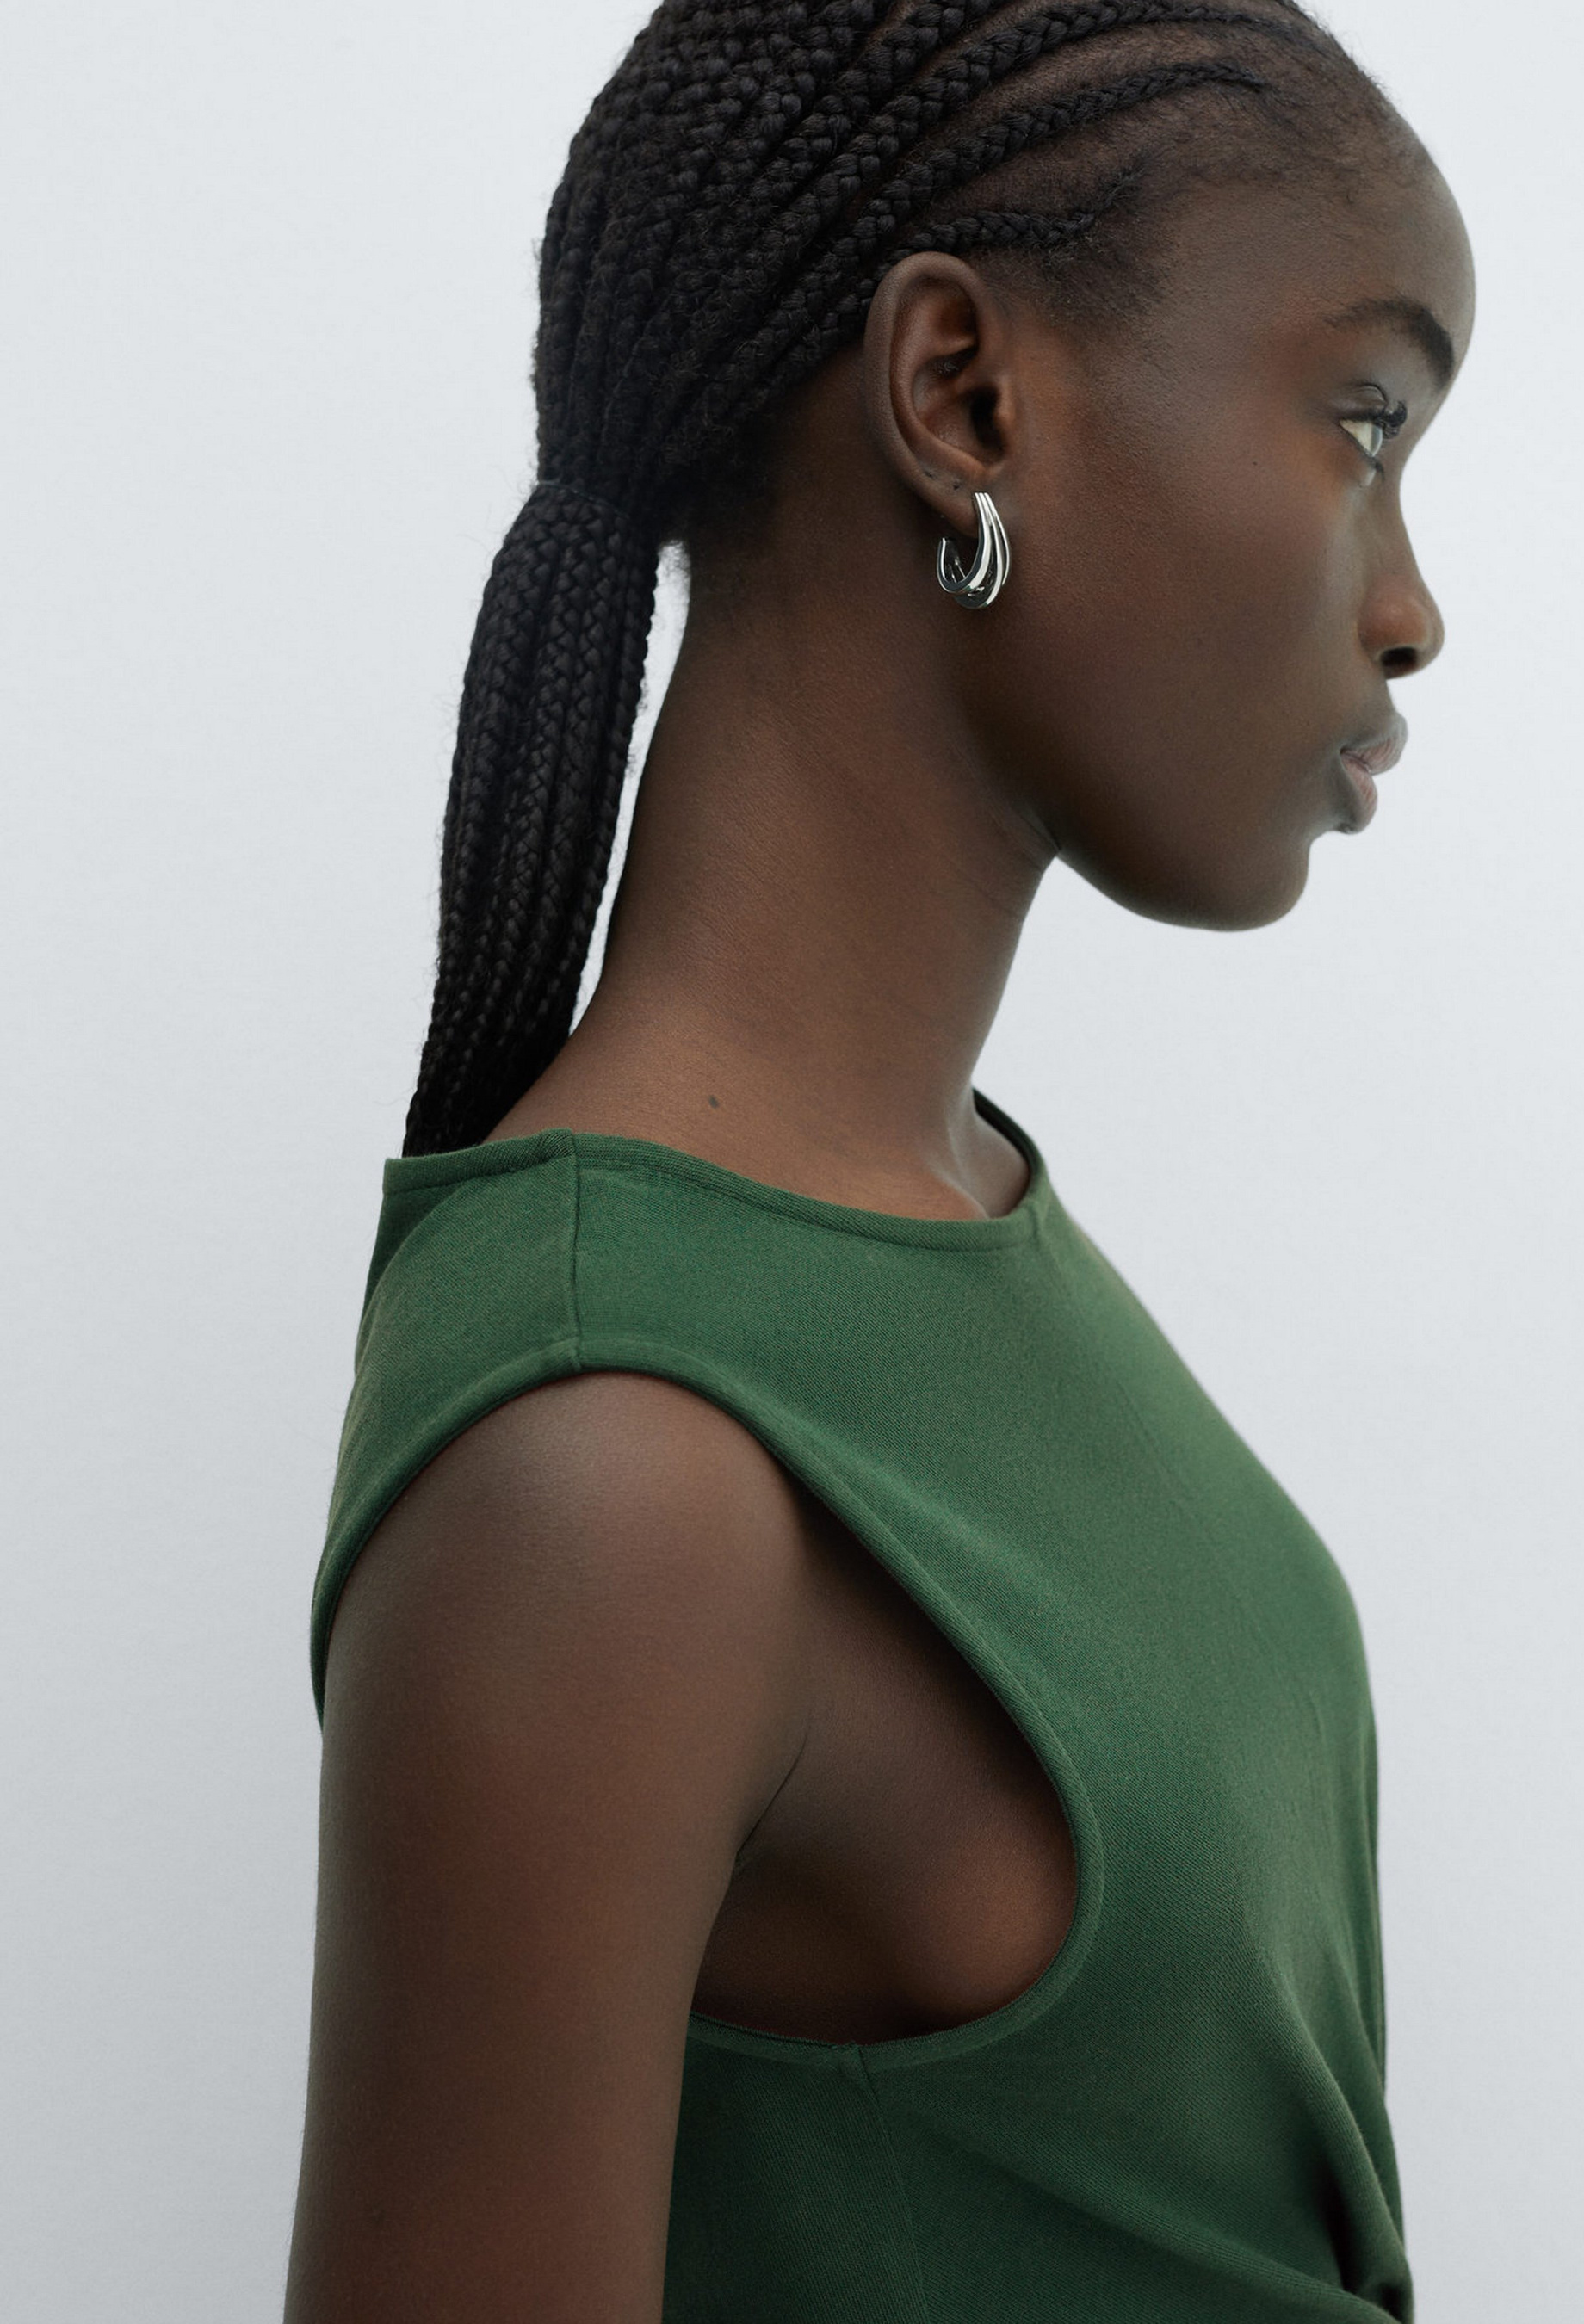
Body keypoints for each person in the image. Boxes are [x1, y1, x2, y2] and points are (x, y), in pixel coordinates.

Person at [285, 3, 1473, 2319]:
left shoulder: (943, 1204)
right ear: (962, 395)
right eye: (1363, 421)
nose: (1413, 605)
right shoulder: (615, 1457)